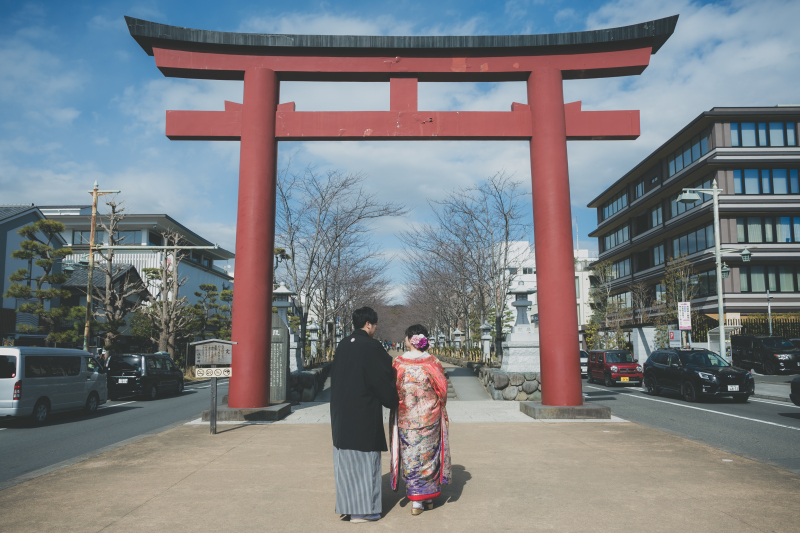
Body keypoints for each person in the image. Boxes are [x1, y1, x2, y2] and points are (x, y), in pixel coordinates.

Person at [330, 307, 399, 523]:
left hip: (342, 414)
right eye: (375, 324)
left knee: (346, 462)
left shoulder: (342, 344)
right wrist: (393, 400)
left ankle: (349, 507)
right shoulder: (371, 346)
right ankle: (365, 511)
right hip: (363, 413)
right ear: (368, 324)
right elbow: (382, 376)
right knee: (366, 460)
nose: (375, 328)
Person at [390, 324, 451, 516]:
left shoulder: (398, 363)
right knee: (428, 455)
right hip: (429, 416)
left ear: (409, 339)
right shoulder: (432, 362)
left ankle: (416, 502)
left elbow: (393, 388)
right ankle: (430, 497)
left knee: (411, 457)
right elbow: (442, 389)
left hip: (406, 417)